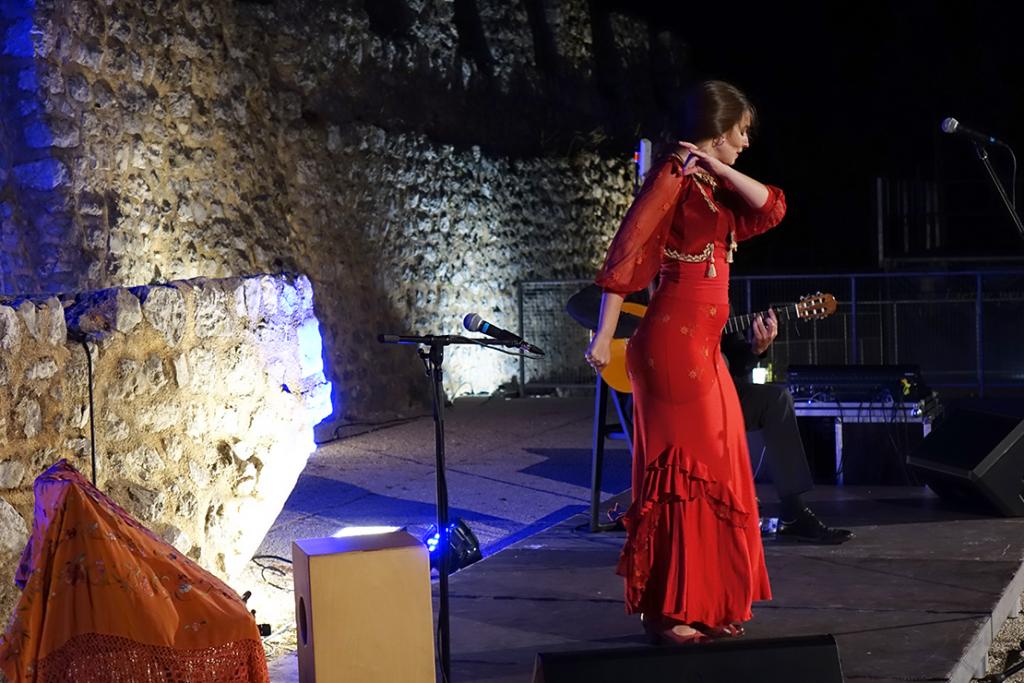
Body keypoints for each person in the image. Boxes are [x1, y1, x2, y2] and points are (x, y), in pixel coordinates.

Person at [585, 80, 783, 645]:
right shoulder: (672, 176)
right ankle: (670, 610)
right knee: (683, 475)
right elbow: (625, 253)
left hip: (705, 350)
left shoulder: (712, 184)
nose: (745, 143)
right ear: (718, 130)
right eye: (740, 132)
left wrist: (715, 166)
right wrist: (604, 334)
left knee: (720, 471)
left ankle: (709, 601)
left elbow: (772, 206)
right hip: (672, 348)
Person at [722, 311, 854, 544]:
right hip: (670, 396)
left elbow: (737, 361)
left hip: (716, 393)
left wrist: (756, 349)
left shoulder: (718, 299)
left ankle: (793, 512)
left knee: (777, 399)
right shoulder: (656, 292)